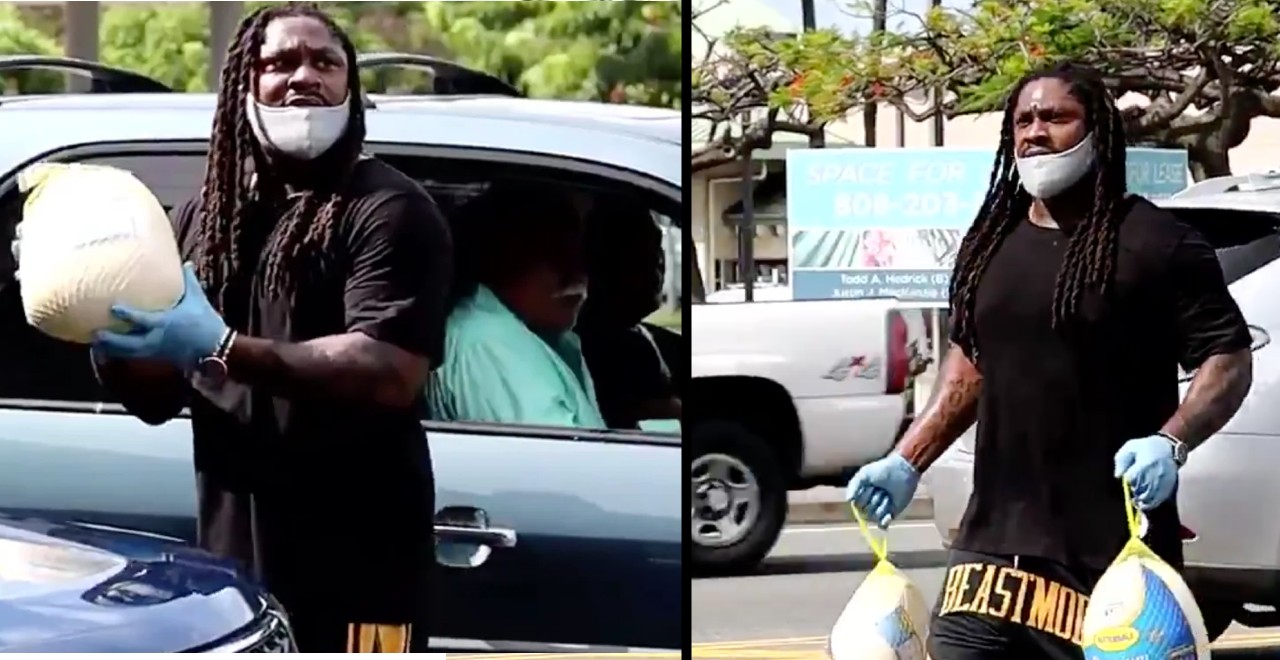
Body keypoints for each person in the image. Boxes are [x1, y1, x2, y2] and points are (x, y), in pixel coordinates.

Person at [845, 63, 1254, 659]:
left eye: (1056, 117)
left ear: (1098, 132)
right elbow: (971, 362)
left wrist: (1172, 441)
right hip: (990, 552)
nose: (1035, 132)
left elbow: (1228, 356)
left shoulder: (1157, 242)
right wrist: (907, 459)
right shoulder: (989, 243)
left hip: (1110, 558)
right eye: (1022, 120)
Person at [88, 3, 452, 653]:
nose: (304, 77)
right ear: (244, 86)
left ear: (350, 86)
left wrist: (222, 347)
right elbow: (154, 398)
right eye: (279, 63)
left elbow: (389, 371)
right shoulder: (205, 218)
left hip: (362, 568)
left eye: (325, 62)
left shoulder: (388, 207)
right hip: (234, 564)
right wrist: (97, 306)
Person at [426, 184, 605, 429]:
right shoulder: (488, 343)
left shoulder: (542, 336)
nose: (576, 273)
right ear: (501, 259)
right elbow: (563, 460)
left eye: (580, 252)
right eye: (555, 255)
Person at [576, 197, 681, 429]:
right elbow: (627, 409)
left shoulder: (638, 334)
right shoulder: (601, 345)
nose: (658, 266)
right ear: (605, 264)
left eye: (659, 251)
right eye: (642, 255)